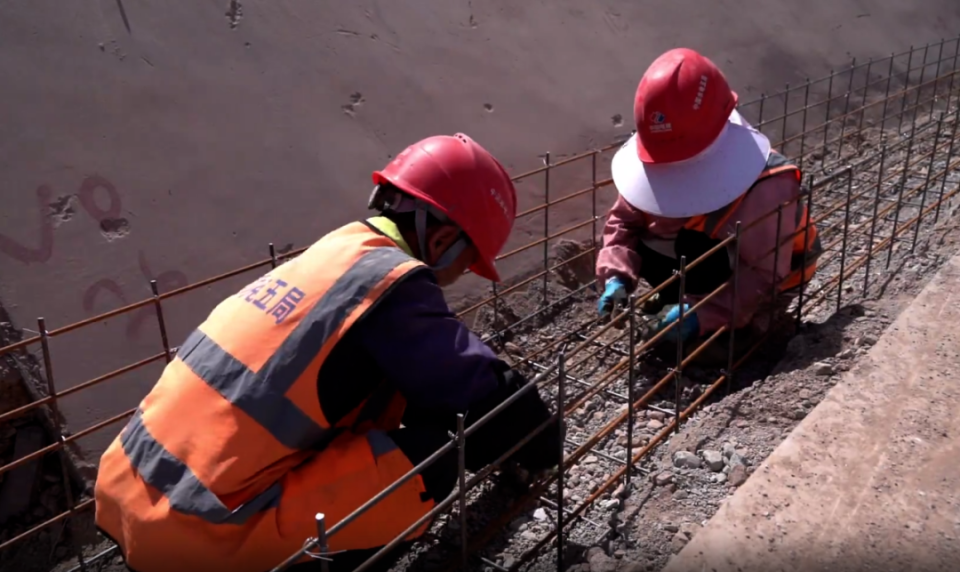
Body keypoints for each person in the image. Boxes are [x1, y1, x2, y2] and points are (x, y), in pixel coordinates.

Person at [94, 134, 561, 572]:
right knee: (436, 454)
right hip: (199, 534)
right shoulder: (391, 284)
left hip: (126, 492)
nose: (460, 276)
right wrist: (543, 443)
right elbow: (478, 390)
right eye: (466, 263)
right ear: (441, 242)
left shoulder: (333, 255)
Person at [596, 48, 823, 361]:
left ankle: (744, 328)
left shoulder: (769, 186)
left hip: (770, 276)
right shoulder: (660, 156)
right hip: (706, 258)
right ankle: (684, 298)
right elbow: (624, 221)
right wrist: (616, 275)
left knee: (698, 250)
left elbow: (764, 275)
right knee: (664, 241)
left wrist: (700, 315)